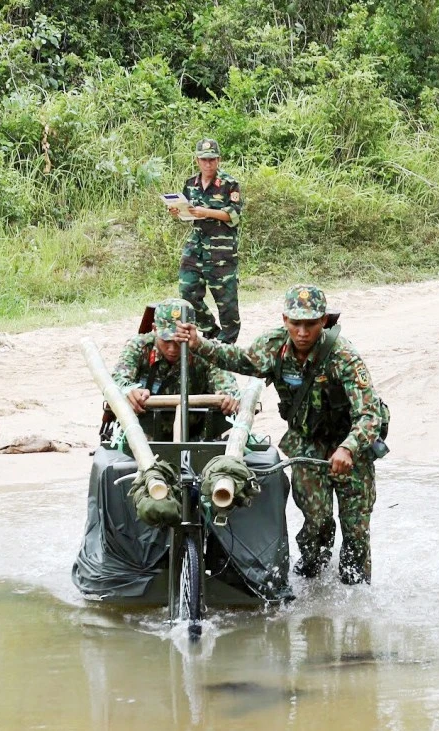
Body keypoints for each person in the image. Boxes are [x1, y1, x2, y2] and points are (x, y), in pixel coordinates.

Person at [175, 285, 386, 585]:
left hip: (352, 447)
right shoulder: (274, 347)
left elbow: (369, 414)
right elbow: (240, 359)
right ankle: (313, 575)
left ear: (324, 321)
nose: (302, 332)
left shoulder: (344, 357)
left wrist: (349, 449)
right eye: (296, 323)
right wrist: (198, 344)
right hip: (306, 443)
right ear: (285, 320)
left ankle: (355, 593)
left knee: (355, 527)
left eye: (310, 324)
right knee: (317, 519)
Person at [111, 298, 240, 441]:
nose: (172, 349)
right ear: (154, 329)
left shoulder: (204, 350)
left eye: (179, 342)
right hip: (144, 432)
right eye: (166, 341)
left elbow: (226, 381)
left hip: (197, 434)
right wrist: (129, 391)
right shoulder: (139, 347)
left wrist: (229, 396)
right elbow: (118, 379)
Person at [172, 137, 243, 344]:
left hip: (221, 248)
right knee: (187, 290)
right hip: (197, 244)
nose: (208, 163)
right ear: (197, 161)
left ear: (218, 160)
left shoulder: (229, 184)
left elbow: (234, 215)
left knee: (226, 300)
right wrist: (178, 211)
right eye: (204, 160)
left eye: (212, 159)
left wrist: (207, 212)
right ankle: (210, 330)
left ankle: (227, 342)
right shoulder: (190, 184)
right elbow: (188, 212)